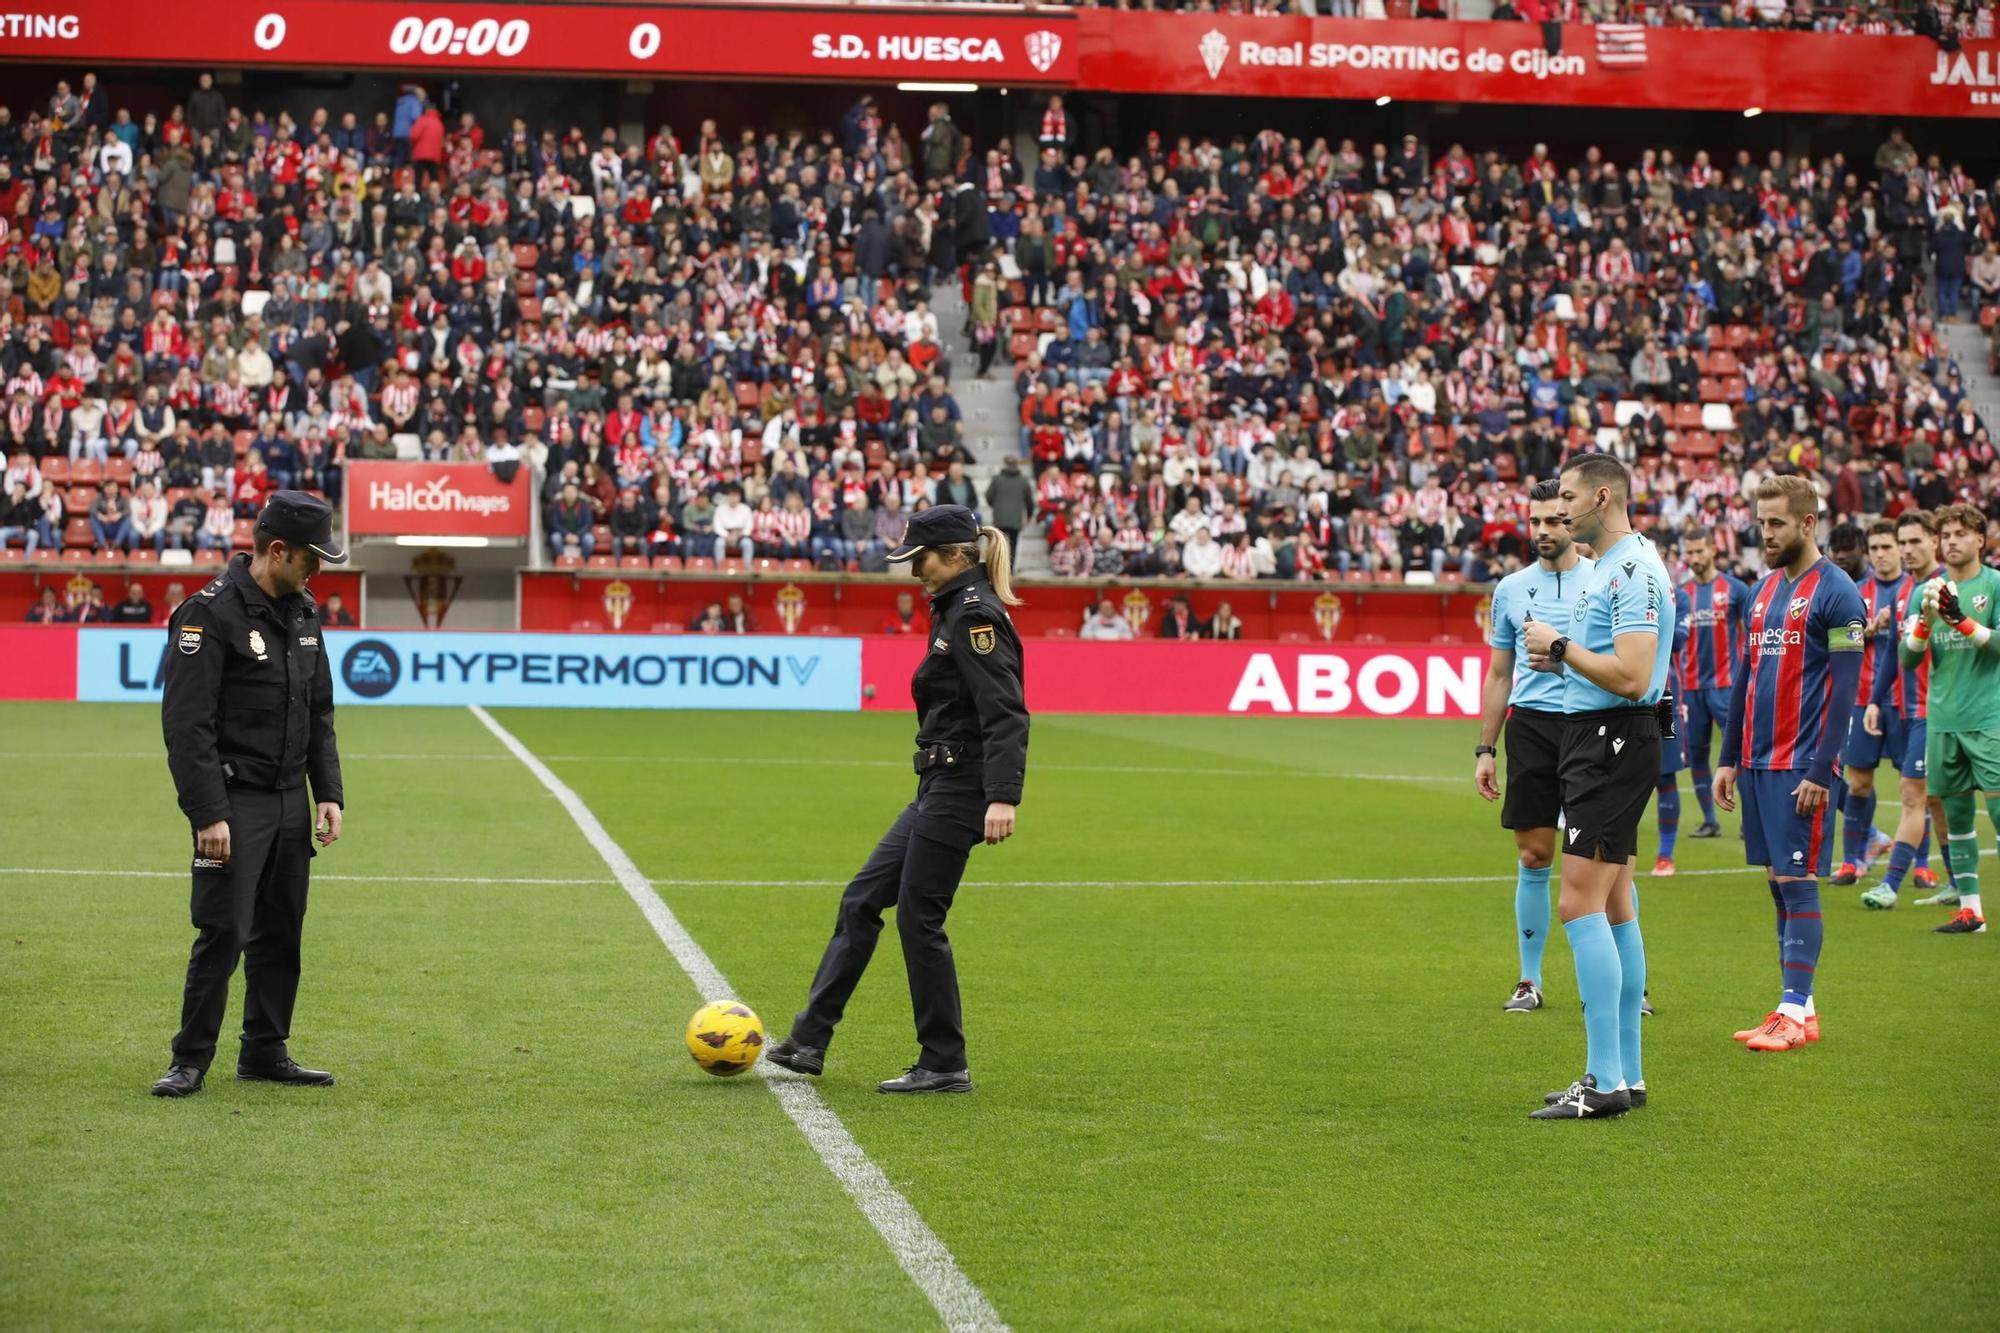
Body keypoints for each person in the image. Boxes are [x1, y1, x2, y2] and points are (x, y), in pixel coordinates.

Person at [767, 506, 1026, 1094]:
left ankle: (944, 1061)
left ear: (957, 555)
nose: (914, 570)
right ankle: (809, 1040)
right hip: (937, 783)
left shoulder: (975, 617)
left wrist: (1003, 797)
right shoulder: (952, 612)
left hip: (964, 786)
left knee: (918, 917)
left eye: (922, 558)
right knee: (863, 898)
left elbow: (1005, 710)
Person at [152, 492, 347, 1098]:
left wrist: (328, 793)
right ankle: (189, 1060)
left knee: (282, 931)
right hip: (234, 805)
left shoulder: (304, 612)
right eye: (310, 560)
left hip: (291, 800)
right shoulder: (207, 615)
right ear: (278, 550)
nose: (316, 572)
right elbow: (189, 727)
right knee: (223, 930)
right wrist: (207, 811)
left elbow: (318, 713)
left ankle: (265, 1050)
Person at [1520, 454, 1673, 1118]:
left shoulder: (1633, 568)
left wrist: (1557, 649)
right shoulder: (1610, 566)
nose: (1560, 507)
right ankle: (1627, 1075)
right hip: (1606, 738)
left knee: (1578, 905)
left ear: (1601, 496)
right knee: (1615, 905)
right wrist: (1562, 659)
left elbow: (1634, 675)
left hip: (1612, 739)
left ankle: (1604, 1078)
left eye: (1569, 497)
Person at [1713, 475, 1868, 1054]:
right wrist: (1729, 759)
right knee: (1781, 886)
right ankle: (1800, 1008)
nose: (1766, 533)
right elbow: (1746, 681)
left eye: (1776, 522)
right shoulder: (1763, 591)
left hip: (1801, 764)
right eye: (1761, 522)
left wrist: (1820, 770)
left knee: (1799, 886)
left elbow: (1846, 695)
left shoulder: (1839, 593)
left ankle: (1789, 1011)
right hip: (1757, 762)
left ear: (1808, 522)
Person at [1477, 479, 1591, 1013]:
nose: (1543, 532)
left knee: (1603, 860)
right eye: (1536, 522)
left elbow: (1639, 660)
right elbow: (1500, 674)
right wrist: (1485, 749)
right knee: (1534, 854)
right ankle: (1529, 980)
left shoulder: (1606, 579)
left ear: (1574, 521)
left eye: (1555, 521)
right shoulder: (1510, 588)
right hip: (1533, 729)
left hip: (1593, 725)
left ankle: (1628, 982)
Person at [1896, 504, 2000, 934]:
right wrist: (1925, 619)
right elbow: (1906, 658)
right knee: (1956, 819)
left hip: (1989, 718)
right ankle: (1971, 911)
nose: (1953, 541)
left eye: (1962, 533)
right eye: (1947, 535)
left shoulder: (1993, 584)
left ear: (1980, 539)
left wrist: (1960, 621)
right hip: (1943, 720)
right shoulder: (1927, 591)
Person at [1860, 512, 1950, 907]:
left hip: (1941, 709)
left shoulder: (1948, 586)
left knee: (1916, 794)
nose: (1908, 550)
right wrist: (1876, 701)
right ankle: (1960, 883)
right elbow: (1894, 659)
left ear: (1934, 541)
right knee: (1935, 799)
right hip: (1909, 708)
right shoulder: (1902, 595)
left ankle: (1891, 886)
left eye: (1916, 541)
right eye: (1904, 542)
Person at [1838, 520, 1913, 889]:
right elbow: (1838, 642)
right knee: (1858, 784)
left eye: (1889, 547)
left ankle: (1923, 867)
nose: (1882, 554)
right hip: (1862, 700)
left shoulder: (1915, 591)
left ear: (1900, 549)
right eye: (1877, 548)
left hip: (1908, 700)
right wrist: (1868, 629)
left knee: (1913, 787)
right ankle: (1852, 860)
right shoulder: (1855, 591)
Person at [1676, 529, 1750, 840]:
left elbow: (1751, 636)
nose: (1694, 558)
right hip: (1690, 688)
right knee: (1695, 755)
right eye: (1689, 553)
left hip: (1727, 687)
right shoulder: (1681, 594)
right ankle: (1709, 819)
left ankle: (1751, 820)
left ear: (1712, 551)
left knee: (1741, 754)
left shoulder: (1736, 589)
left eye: (1699, 551)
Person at [1651, 553, 1694, 878]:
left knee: (1666, 776)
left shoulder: (1681, 598)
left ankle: (1666, 855)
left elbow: (1678, 639)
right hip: (1625, 695)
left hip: (1665, 697)